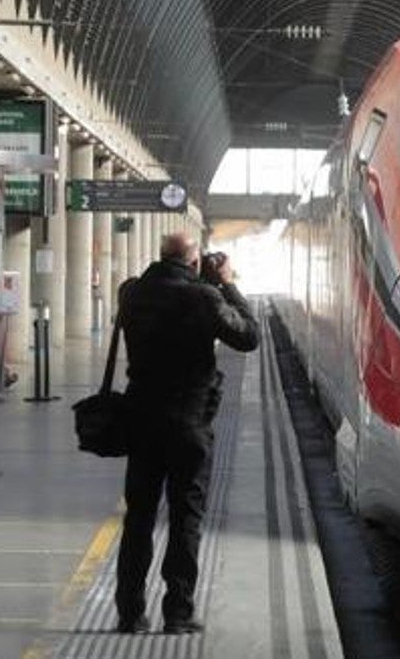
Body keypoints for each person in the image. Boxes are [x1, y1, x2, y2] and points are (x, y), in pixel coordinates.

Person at [114, 233, 259, 634]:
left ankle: (130, 614)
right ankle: (177, 614)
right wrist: (226, 283)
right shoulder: (204, 298)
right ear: (195, 262)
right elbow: (249, 335)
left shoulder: (132, 292)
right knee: (185, 519)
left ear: (161, 255)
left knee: (138, 518)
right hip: (189, 425)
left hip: (141, 422)